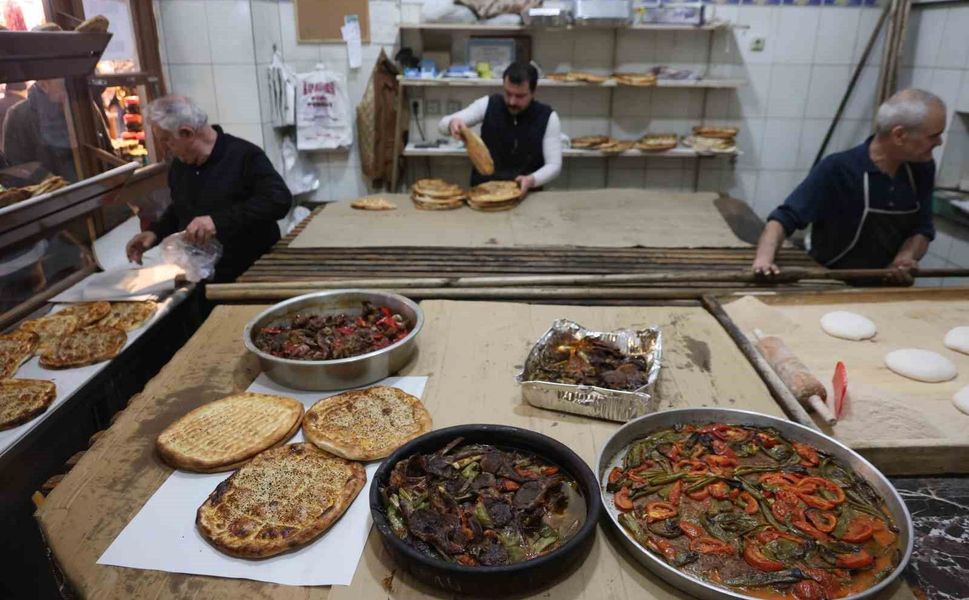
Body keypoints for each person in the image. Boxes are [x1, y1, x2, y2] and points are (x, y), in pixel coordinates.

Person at [752, 88, 946, 282]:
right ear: (899, 135)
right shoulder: (839, 168)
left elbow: (922, 228)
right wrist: (764, 260)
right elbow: (783, 219)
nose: (939, 142)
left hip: (887, 285)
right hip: (829, 281)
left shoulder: (921, 168)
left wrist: (906, 256)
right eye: (933, 136)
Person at [126, 95, 292, 283]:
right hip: (203, 276)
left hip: (253, 273)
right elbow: (181, 208)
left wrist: (217, 221)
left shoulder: (243, 155)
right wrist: (155, 232)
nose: (165, 149)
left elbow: (278, 200)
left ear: (187, 133)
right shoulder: (180, 166)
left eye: (166, 141)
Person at [438, 62, 562, 194]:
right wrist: (452, 123)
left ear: (533, 92)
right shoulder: (487, 105)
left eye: (520, 96)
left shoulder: (547, 117)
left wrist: (532, 179)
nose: (512, 102)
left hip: (525, 193)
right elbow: (442, 125)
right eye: (508, 93)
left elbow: (554, 165)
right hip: (484, 192)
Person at [2, 79, 78, 181]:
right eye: (63, 81)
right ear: (44, 85)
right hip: (53, 193)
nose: (68, 83)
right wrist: (54, 183)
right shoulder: (17, 115)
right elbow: (18, 166)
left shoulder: (82, 105)